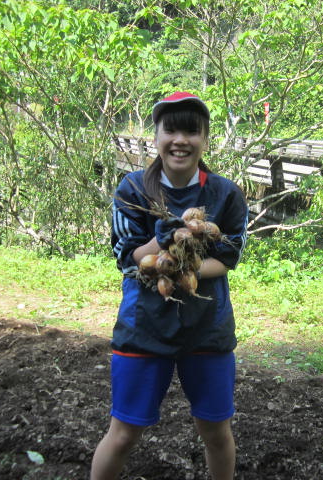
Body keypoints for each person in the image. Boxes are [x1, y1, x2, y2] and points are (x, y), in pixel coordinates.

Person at [90, 92, 248, 480]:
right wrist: (161, 240)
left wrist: (177, 267)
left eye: (191, 131)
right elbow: (129, 258)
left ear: (205, 139)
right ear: (156, 136)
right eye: (171, 130)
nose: (180, 140)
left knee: (216, 432)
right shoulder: (132, 189)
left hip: (206, 326)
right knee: (123, 434)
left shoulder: (226, 193)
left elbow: (228, 258)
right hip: (144, 326)